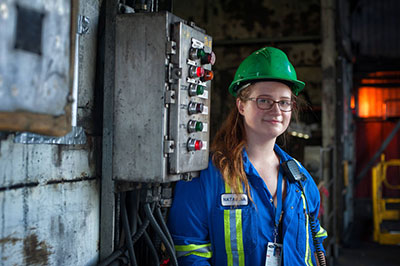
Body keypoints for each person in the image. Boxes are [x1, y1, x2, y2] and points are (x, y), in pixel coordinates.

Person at [167, 47, 328, 266]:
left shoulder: (301, 180)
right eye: (264, 100)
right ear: (241, 105)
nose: (277, 110)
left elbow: (316, 248)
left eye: (284, 102)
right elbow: (189, 253)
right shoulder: (206, 176)